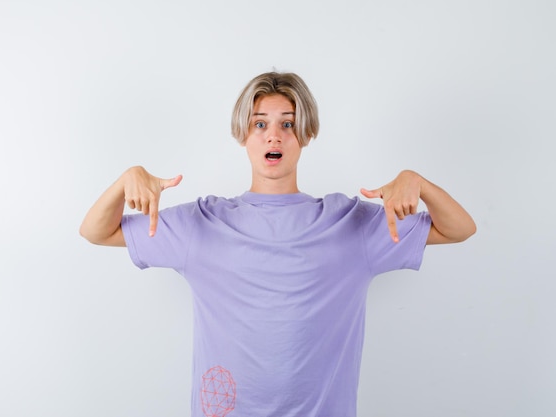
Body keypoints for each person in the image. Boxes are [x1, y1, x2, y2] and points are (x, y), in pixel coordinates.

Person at [79, 71, 476, 417]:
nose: (274, 135)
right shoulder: (201, 223)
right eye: (259, 124)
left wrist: (417, 182)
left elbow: (459, 228)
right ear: (243, 135)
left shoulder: (349, 223)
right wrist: (126, 179)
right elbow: (96, 231)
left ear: (306, 134)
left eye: (287, 124)